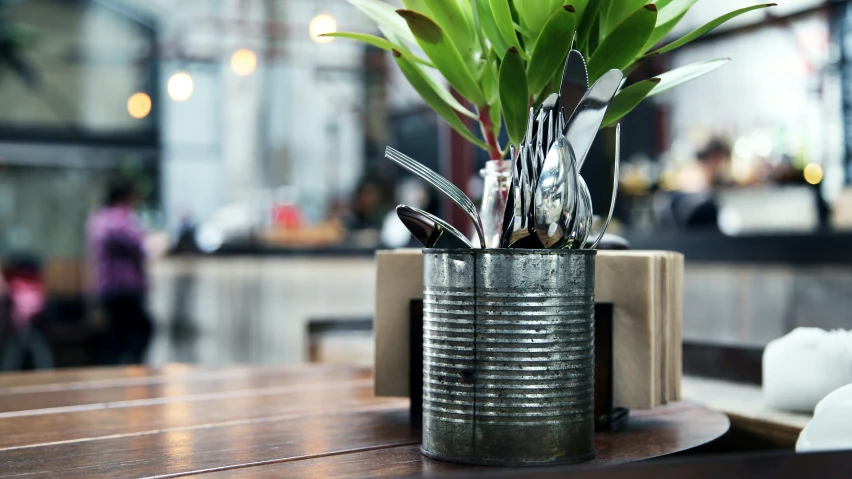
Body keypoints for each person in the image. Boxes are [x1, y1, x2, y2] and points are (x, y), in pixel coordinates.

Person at [87, 178, 153, 364]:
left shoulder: (98, 217)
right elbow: (141, 246)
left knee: (117, 333)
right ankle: (129, 372)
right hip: (124, 285)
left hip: (105, 285)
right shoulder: (119, 218)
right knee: (139, 330)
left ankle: (118, 374)